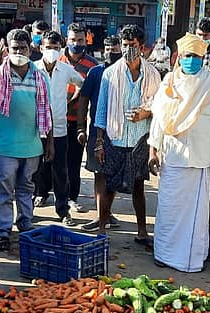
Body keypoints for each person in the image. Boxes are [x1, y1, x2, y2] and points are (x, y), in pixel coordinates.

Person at [148, 33, 210, 273]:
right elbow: (159, 121)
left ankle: (191, 260)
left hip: (200, 159)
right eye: (187, 56)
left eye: (196, 56)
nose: (191, 60)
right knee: (168, 209)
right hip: (172, 158)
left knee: (195, 215)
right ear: (179, 57)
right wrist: (153, 151)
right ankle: (163, 255)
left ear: (203, 57)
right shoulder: (168, 83)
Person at [0, 29, 54, 251]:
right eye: (14, 48)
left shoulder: (39, 76)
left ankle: (25, 226)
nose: (19, 52)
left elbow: (46, 109)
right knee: (4, 191)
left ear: (30, 49)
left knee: (26, 189)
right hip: (4, 146)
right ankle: (3, 232)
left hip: (31, 145)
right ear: (7, 50)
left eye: (23, 48)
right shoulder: (1, 74)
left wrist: (49, 142)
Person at [94, 24, 161, 243]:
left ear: (142, 47)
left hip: (141, 139)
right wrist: (100, 142)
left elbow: (161, 108)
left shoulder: (153, 74)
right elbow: (101, 110)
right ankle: (102, 229)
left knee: (139, 186)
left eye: (132, 45)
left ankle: (142, 232)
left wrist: (146, 113)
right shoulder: (109, 74)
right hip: (115, 137)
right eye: (124, 45)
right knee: (109, 186)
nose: (128, 49)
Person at [32, 30, 84, 225]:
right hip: (36, 128)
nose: (51, 51)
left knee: (60, 171)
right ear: (41, 48)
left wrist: (71, 101)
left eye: (55, 48)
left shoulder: (66, 70)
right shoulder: (33, 68)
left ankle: (63, 210)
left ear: (60, 49)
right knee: (35, 168)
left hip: (60, 127)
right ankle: (35, 200)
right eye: (48, 47)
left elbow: (82, 84)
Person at [77, 35, 121, 233]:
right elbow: (84, 100)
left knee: (115, 175)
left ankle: (107, 212)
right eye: (107, 47)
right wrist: (80, 127)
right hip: (97, 130)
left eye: (114, 47)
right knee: (99, 174)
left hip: (121, 132)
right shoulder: (95, 72)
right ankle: (100, 215)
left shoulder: (127, 72)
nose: (110, 50)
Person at [60, 22, 97, 214]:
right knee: (53, 161)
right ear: (67, 39)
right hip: (55, 120)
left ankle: (72, 198)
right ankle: (49, 194)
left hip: (78, 122)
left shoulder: (93, 66)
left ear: (86, 40)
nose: (76, 43)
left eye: (80, 40)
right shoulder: (56, 59)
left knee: (74, 163)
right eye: (73, 40)